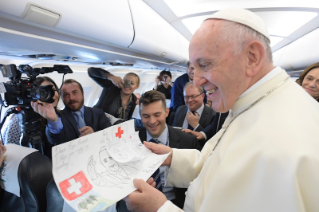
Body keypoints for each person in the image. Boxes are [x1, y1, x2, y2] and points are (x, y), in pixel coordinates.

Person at [125, 8, 319, 212]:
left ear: (252, 57)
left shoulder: (280, 145)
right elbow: (216, 165)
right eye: (194, 67)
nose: (197, 80)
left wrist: (160, 208)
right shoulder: (250, 101)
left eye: (205, 64)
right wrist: (173, 157)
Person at [119, 90, 200, 211]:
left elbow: (198, 180)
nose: (152, 121)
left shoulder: (188, 141)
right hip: (140, 205)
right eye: (146, 116)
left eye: (157, 115)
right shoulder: (130, 142)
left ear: (167, 112)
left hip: (175, 205)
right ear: (140, 115)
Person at [32, 79, 111, 145]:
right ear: (62, 98)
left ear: (82, 93)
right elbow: (56, 140)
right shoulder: (58, 117)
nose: (71, 98)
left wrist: (95, 136)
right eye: (66, 95)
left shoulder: (98, 113)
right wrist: (54, 121)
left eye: (75, 92)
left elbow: (110, 136)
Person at [1, 76, 60, 158]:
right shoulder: (18, 119)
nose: (50, 95)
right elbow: (10, 150)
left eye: (53, 90)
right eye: (43, 92)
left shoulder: (59, 115)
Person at [172, 82, 215, 147]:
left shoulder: (212, 115)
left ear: (202, 96)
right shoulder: (180, 110)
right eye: (186, 97)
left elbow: (210, 142)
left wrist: (196, 126)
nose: (189, 100)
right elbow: (174, 134)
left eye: (193, 96)